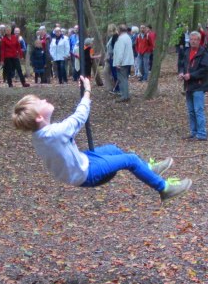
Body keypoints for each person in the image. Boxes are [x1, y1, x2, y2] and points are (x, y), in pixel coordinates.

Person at [12, 78, 192, 201]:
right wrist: (88, 91)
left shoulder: (40, 135)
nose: (44, 99)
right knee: (131, 159)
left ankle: (148, 169)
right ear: (38, 118)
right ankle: (165, 189)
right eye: (40, 103)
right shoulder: (55, 133)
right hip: (86, 173)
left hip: (81, 161)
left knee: (113, 149)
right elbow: (79, 117)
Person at [178, 30, 208, 141]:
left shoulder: (203, 53)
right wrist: (181, 73)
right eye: (191, 39)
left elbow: (205, 69)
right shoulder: (187, 52)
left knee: (198, 110)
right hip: (188, 86)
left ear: (199, 40)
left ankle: (201, 133)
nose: (193, 41)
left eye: (195, 39)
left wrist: (191, 75)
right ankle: (194, 132)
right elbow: (182, 64)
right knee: (191, 110)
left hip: (198, 85)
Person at [111, 24, 135, 101]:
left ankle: (124, 96)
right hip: (127, 61)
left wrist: (118, 63)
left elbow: (120, 52)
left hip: (122, 62)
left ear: (120, 30)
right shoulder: (128, 37)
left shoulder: (121, 39)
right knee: (124, 79)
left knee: (122, 79)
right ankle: (126, 95)